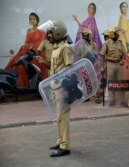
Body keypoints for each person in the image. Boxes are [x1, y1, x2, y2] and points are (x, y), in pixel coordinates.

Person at [38, 20, 74, 157]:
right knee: (59, 117)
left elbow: (70, 69)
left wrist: (66, 88)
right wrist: (44, 63)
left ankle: (65, 147)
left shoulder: (66, 48)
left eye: (51, 33)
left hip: (62, 88)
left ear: (58, 33)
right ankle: (60, 141)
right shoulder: (56, 48)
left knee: (63, 117)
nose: (48, 35)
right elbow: (55, 70)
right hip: (55, 86)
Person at [5, 12, 47, 87]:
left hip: (35, 52)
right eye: (30, 19)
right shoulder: (28, 30)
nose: (32, 21)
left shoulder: (42, 31)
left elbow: (42, 43)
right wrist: (24, 48)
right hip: (26, 50)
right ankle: (21, 86)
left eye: (33, 19)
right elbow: (26, 42)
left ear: (37, 20)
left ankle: (35, 86)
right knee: (15, 62)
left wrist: (35, 51)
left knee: (30, 65)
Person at [100, 27, 125, 106]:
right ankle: (111, 99)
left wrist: (122, 60)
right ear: (113, 34)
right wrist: (102, 66)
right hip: (110, 63)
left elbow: (123, 53)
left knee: (119, 82)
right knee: (111, 82)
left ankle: (119, 99)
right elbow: (102, 55)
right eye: (117, 34)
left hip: (119, 64)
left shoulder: (120, 43)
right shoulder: (106, 43)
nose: (118, 36)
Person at [118, 2, 129, 80]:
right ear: (120, 9)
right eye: (123, 7)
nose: (125, 8)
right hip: (124, 43)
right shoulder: (122, 18)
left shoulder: (127, 19)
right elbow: (125, 33)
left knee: (128, 66)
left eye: (126, 7)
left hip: (128, 42)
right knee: (126, 66)